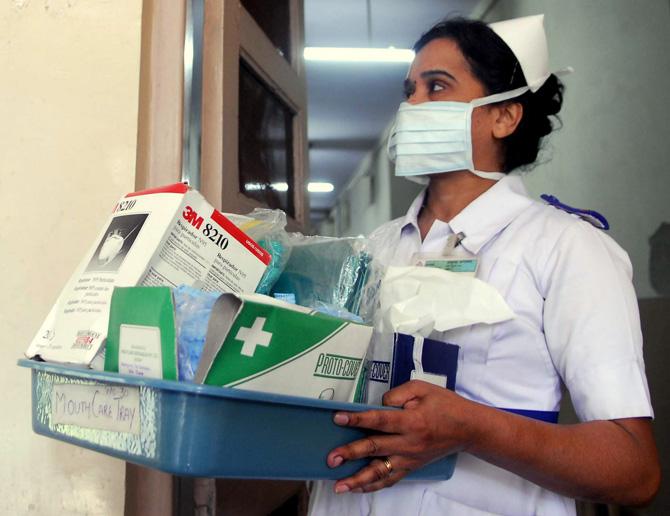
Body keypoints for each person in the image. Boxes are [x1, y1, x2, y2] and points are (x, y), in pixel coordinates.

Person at [308, 15, 660, 515]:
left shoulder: (566, 249)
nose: (411, 107)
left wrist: (472, 428)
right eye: (410, 91)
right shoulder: (372, 250)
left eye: (437, 87)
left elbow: (634, 470)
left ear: (504, 116)